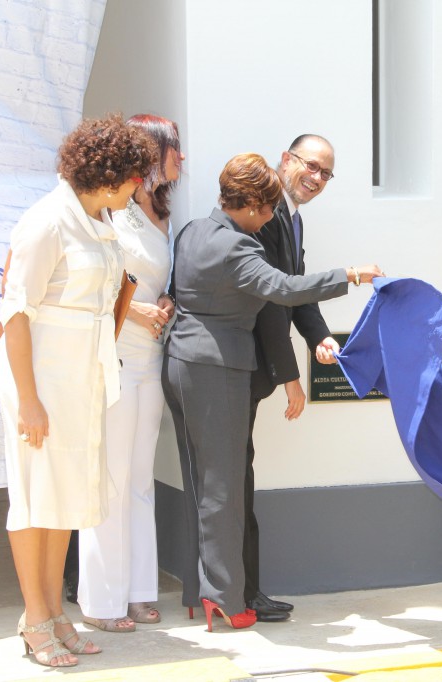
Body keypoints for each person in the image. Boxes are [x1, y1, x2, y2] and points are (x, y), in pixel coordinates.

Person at [162, 153, 383, 631]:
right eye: (267, 209)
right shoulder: (240, 247)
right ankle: (224, 597)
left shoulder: (194, 230)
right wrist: (349, 275)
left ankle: (201, 590)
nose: (269, 219)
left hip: (179, 362)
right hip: (217, 370)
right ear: (252, 206)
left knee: (199, 484)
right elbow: (284, 288)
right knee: (223, 489)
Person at [0, 114, 157, 666]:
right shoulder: (46, 222)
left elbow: (100, 301)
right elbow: (14, 313)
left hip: (82, 380)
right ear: (112, 176)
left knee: (64, 499)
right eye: (137, 177)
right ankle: (34, 617)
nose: (141, 188)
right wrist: (29, 399)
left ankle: (55, 614)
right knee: (34, 498)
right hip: (40, 381)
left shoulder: (98, 220)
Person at [77, 115, 183, 633]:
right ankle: (101, 599)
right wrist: (137, 310)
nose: (181, 160)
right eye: (174, 149)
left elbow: (159, 277)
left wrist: (163, 300)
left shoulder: (159, 210)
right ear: (152, 151)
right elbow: (102, 276)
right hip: (116, 350)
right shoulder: (111, 208)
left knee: (141, 478)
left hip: (152, 355)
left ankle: (140, 591)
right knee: (111, 477)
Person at [243, 135, 338, 623]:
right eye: (311, 166)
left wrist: (318, 337)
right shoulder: (264, 214)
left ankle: (240, 591)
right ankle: (241, 593)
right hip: (237, 366)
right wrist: (290, 375)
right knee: (234, 484)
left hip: (254, 370)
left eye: (326, 173)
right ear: (285, 160)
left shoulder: (293, 220)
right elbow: (270, 300)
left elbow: (298, 293)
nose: (317, 178)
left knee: (240, 478)